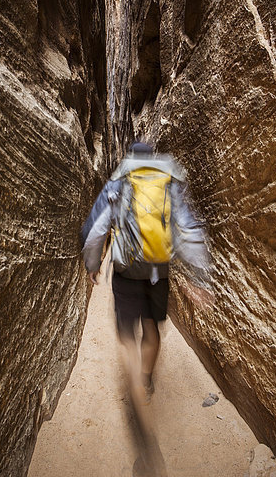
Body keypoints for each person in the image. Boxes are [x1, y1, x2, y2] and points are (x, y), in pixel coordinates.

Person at [81, 141, 213, 402]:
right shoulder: (168, 182)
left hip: (126, 270)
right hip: (158, 271)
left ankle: (134, 383)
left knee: (127, 331)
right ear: (152, 158)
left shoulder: (120, 181)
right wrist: (200, 277)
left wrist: (92, 265)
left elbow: (97, 230)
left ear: (130, 158)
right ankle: (146, 380)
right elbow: (187, 229)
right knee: (150, 327)